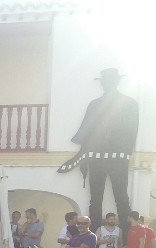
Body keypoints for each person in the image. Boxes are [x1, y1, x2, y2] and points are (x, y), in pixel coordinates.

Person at [59, 68, 138, 231]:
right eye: (105, 81)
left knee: (121, 197)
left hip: (118, 158)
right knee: (96, 199)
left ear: (116, 82)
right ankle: (94, 233)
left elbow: (132, 132)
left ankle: (127, 234)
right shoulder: (95, 105)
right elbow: (87, 131)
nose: (107, 84)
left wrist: (125, 152)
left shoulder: (130, 104)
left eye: (110, 81)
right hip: (97, 158)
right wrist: (84, 156)